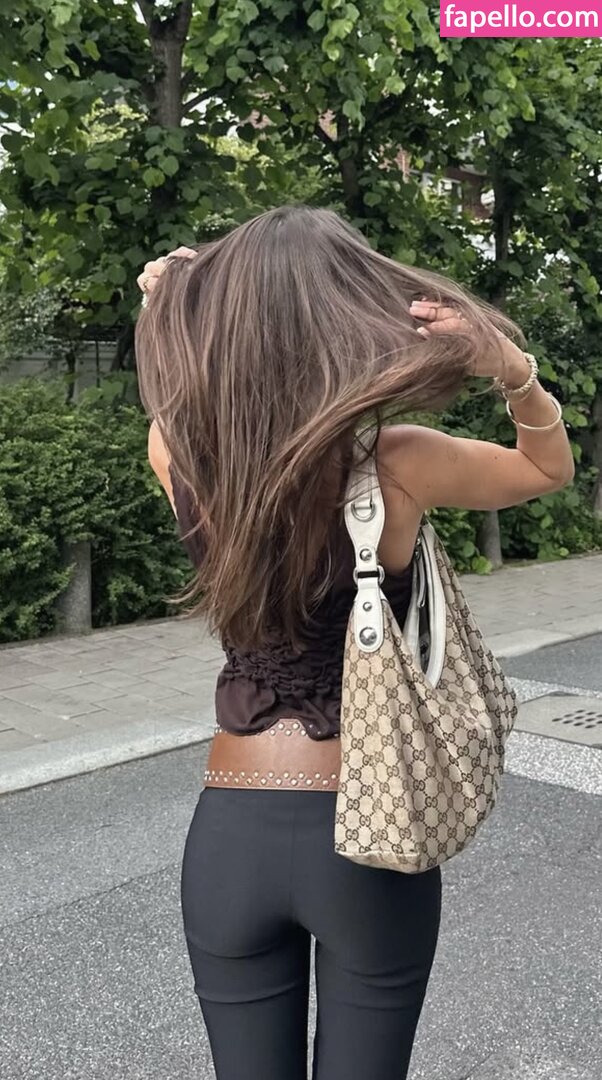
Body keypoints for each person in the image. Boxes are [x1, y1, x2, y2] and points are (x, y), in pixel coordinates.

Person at [135, 205, 574, 1080]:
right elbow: (546, 467)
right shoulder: (398, 462)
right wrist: (513, 371)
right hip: (369, 825)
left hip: (229, 832)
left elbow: (180, 391)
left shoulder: (179, 454)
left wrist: (168, 306)